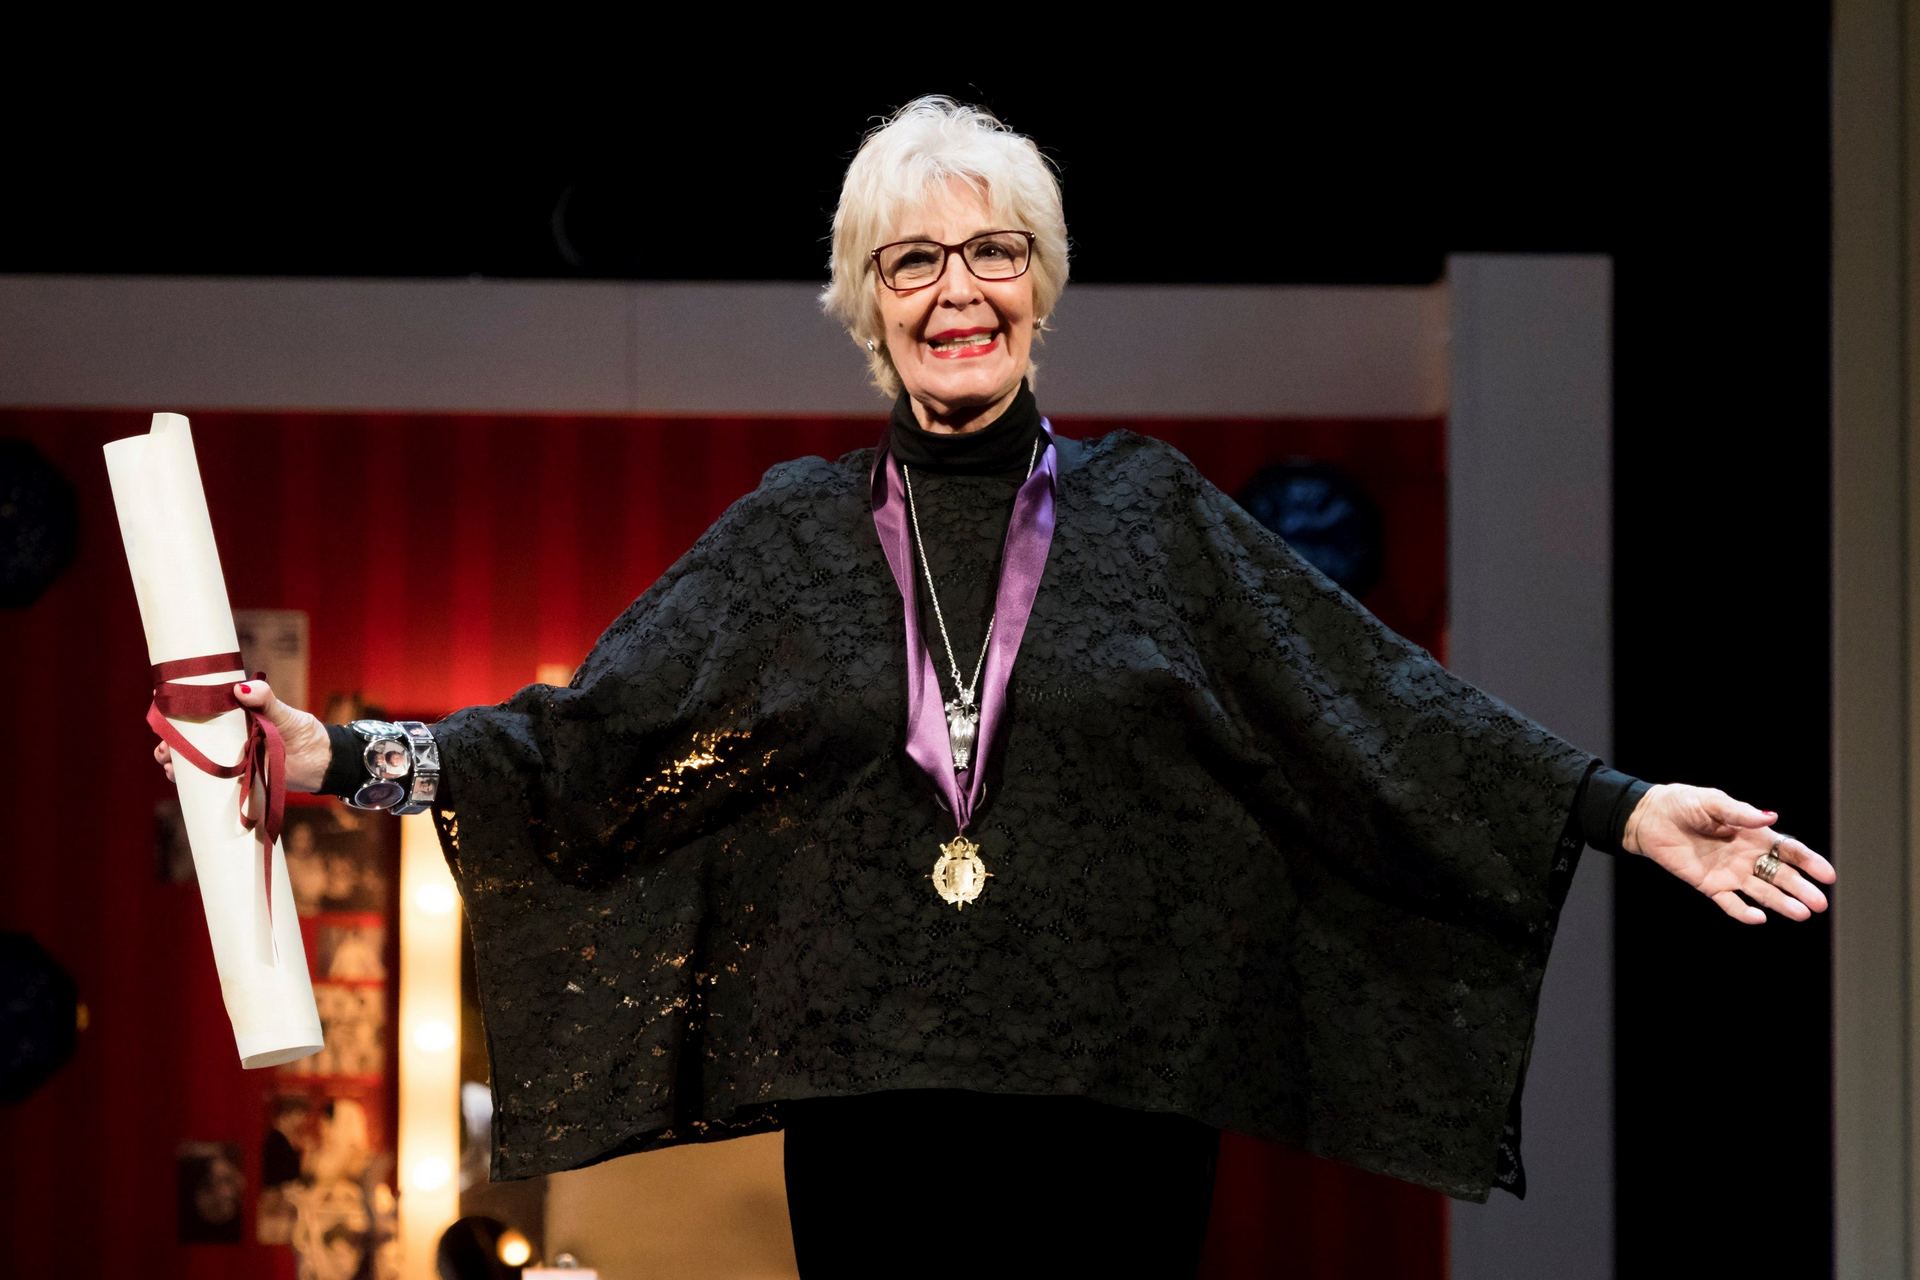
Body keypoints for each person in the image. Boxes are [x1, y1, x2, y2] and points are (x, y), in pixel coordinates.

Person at [154, 96, 1836, 1275]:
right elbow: (588, 743)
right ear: (864, 309)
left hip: (1116, 1106)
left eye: (994, 252)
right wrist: (341, 754)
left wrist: (1621, 810)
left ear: (1043, 282)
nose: (958, 290)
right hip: (878, 1114)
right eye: (913, 264)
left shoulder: (1157, 513)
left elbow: (1377, 703)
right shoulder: (793, 535)